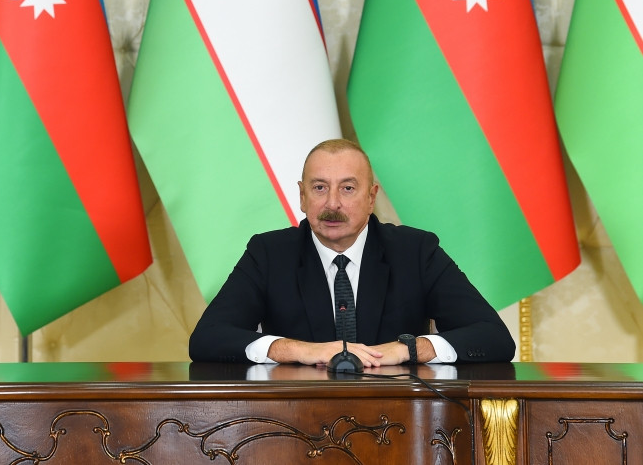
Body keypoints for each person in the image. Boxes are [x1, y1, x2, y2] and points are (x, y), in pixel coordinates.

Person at [189, 138, 516, 366]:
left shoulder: (415, 252)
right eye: (319, 188)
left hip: (399, 419)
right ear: (302, 197)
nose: (332, 204)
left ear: (371, 197)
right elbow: (207, 338)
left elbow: (494, 337)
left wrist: (407, 350)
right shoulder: (269, 254)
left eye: (347, 188)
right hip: (297, 419)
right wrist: (298, 350)